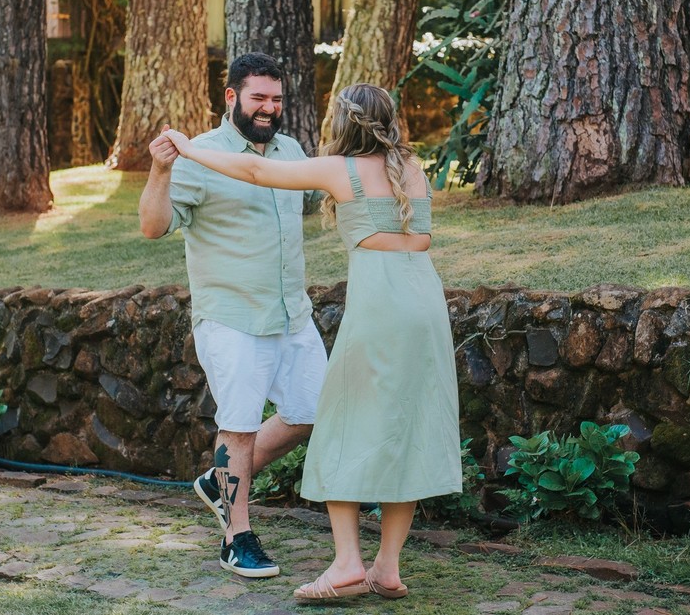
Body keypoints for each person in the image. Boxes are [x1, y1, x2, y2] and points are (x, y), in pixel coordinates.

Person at [162, 83, 461, 602]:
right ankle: (387, 568)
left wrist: (190, 149)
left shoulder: (340, 168)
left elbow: (257, 171)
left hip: (381, 308)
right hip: (427, 303)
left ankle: (347, 563)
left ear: (344, 123)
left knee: (339, 427)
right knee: (407, 426)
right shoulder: (413, 170)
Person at [138, 52, 326, 579]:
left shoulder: (290, 150)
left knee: (309, 411)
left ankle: (215, 482)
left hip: (293, 315)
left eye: (277, 99)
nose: (269, 108)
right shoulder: (200, 155)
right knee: (238, 428)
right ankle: (236, 537)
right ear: (232, 98)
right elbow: (154, 227)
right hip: (231, 317)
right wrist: (160, 169)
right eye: (259, 97)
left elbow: (314, 201)